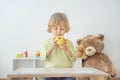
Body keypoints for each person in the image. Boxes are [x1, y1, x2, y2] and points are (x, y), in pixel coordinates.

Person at [41, 12, 77, 80]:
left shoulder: (69, 43)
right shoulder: (47, 43)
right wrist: (51, 48)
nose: (59, 31)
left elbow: (74, 59)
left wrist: (66, 50)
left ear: (66, 29)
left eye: (62, 29)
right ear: (50, 29)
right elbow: (42, 58)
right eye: (55, 29)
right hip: (50, 73)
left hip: (67, 73)